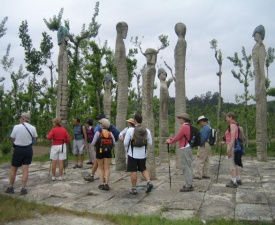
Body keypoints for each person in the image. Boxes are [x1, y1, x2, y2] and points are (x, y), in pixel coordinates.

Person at [5, 112, 38, 195]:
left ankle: (11, 187)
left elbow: (12, 138)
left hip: (18, 149)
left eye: (20, 118)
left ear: (23, 119)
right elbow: (35, 138)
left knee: (14, 169)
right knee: (25, 169)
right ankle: (23, 188)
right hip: (28, 149)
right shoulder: (33, 128)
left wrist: (16, 142)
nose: (19, 119)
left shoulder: (16, 127)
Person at [123, 113, 153, 195]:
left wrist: (124, 140)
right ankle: (149, 182)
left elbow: (125, 143)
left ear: (135, 120)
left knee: (133, 170)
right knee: (143, 169)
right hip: (143, 154)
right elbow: (150, 143)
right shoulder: (147, 131)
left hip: (132, 154)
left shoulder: (130, 130)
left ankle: (134, 189)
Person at [166, 113, 194, 192]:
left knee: (185, 166)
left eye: (180, 118)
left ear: (184, 119)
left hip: (185, 148)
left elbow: (178, 136)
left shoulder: (184, 127)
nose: (179, 119)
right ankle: (189, 182)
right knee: (188, 165)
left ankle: (189, 184)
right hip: (188, 147)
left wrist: (170, 141)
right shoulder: (188, 126)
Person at [91, 118, 115, 191]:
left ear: (102, 125)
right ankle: (106, 184)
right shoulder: (110, 133)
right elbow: (114, 143)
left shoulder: (98, 132)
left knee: (100, 168)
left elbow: (93, 143)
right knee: (107, 168)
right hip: (108, 151)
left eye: (100, 123)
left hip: (100, 151)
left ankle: (101, 184)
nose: (99, 124)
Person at [221, 112, 242, 188]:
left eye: (227, 117)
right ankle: (238, 179)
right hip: (233, 144)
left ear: (231, 117)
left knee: (232, 163)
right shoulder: (235, 125)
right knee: (235, 162)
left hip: (232, 145)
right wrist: (225, 142)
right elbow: (230, 137)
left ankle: (234, 181)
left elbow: (233, 138)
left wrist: (229, 149)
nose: (226, 119)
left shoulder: (232, 125)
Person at [193, 116, 211, 180]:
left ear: (202, 121)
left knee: (200, 159)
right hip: (208, 145)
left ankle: (198, 174)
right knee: (206, 159)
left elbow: (203, 138)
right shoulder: (209, 127)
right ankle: (206, 173)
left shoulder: (204, 128)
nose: (199, 124)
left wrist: (199, 144)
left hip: (204, 145)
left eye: (199, 122)